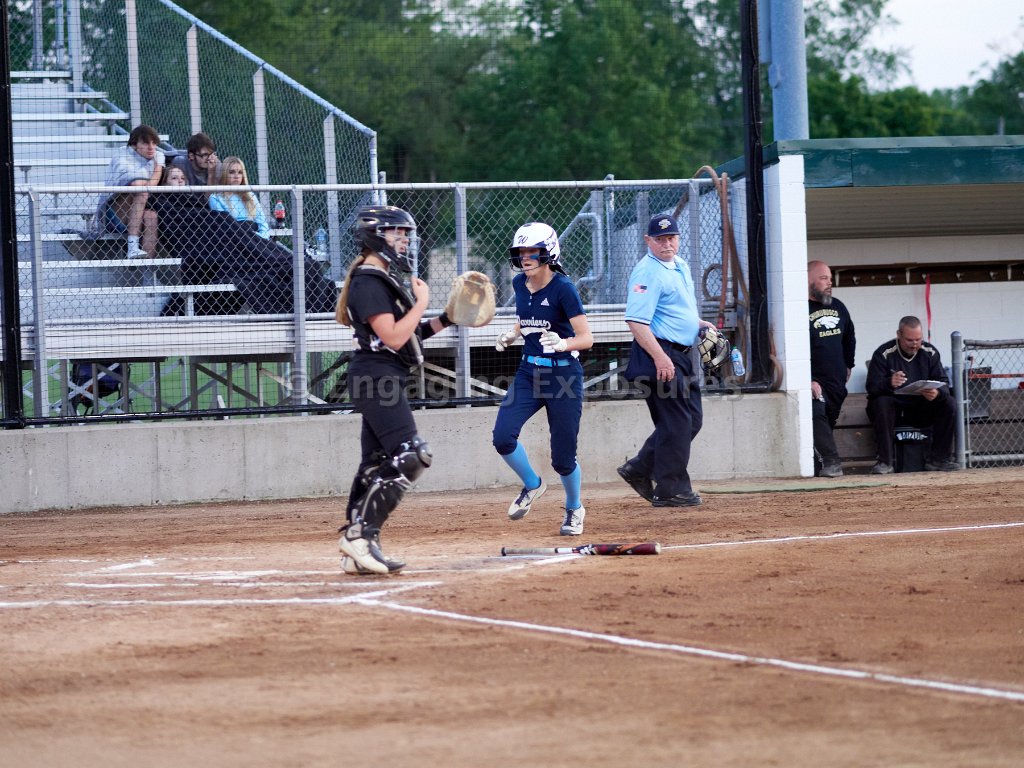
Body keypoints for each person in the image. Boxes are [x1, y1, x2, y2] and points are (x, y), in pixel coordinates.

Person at [334, 204, 456, 575]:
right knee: (413, 454)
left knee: (374, 464)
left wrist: (447, 318)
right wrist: (422, 302)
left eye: (405, 234)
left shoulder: (381, 277)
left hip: (381, 375)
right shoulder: (369, 280)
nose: (403, 240)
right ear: (376, 236)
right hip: (376, 378)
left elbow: (410, 336)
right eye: (396, 233)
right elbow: (392, 336)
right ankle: (360, 536)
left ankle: (357, 548)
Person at [491, 223, 594, 536]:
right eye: (521, 252)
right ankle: (532, 484)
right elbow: (527, 317)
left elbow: (586, 338)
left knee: (563, 458)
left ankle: (574, 508)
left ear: (549, 253)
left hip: (563, 375)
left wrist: (563, 343)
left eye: (532, 251)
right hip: (529, 373)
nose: (525, 257)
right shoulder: (520, 283)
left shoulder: (564, 288)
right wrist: (513, 333)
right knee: (503, 437)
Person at [617, 213, 715, 507]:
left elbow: (675, 310)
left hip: (680, 355)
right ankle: (671, 489)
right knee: (676, 423)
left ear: (678, 238)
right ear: (648, 240)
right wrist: (660, 358)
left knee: (691, 420)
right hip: (660, 354)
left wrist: (699, 324)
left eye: (671, 237)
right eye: (660, 239)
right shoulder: (647, 272)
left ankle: (639, 468)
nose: (666, 243)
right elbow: (636, 322)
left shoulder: (679, 264)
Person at [865, 316, 958, 473]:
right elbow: (871, 388)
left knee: (949, 403)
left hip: (921, 408)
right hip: (894, 411)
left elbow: (944, 383)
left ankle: (939, 459)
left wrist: (936, 393)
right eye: (909, 340)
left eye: (918, 340)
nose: (914, 344)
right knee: (881, 401)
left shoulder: (930, 352)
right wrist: (889, 383)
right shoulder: (884, 353)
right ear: (898, 335)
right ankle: (885, 462)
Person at [807, 260, 856, 478]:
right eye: (824, 278)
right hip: (815, 382)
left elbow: (849, 336)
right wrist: (807, 379)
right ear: (808, 280)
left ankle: (819, 466)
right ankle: (831, 462)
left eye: (830, 278)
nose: (829, 283)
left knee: (826, 424)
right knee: (816, 413)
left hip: (837, 383)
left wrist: (849, 364)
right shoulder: (798, 309)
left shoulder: (838, 306)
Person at [97, 124, 164, 259]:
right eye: (145, 143)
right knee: (141, 192)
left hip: (137, 213)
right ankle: (132, 247)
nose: (151, 147)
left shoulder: (157, 156)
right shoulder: (122, 155)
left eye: (154, 143)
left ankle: (147, 268)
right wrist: (157, 170)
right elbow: (137, 184)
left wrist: (157, 169)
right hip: (113, 215)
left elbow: (147, 185)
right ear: (134, 145)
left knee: (151, 217)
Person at [208, 157, 270, 239]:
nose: (236, 176)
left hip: (256, 237)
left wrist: (260, 237)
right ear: (224, 174)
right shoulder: (216, 198)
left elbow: (263, 224)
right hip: (234, 238)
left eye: (240, 172)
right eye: (232, 172)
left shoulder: (250, 196)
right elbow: (224, 226)